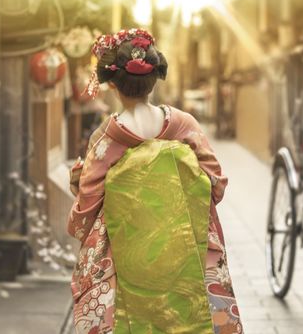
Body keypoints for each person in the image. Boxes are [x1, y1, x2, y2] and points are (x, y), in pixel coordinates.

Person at [68, 29, 243, 334]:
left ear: (112, 84)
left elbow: (85, 213)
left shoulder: (106, 139)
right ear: (154, 78)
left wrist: (77, 183)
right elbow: (216, 184)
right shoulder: (184, 125)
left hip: (128, 264)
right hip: (188, 254)